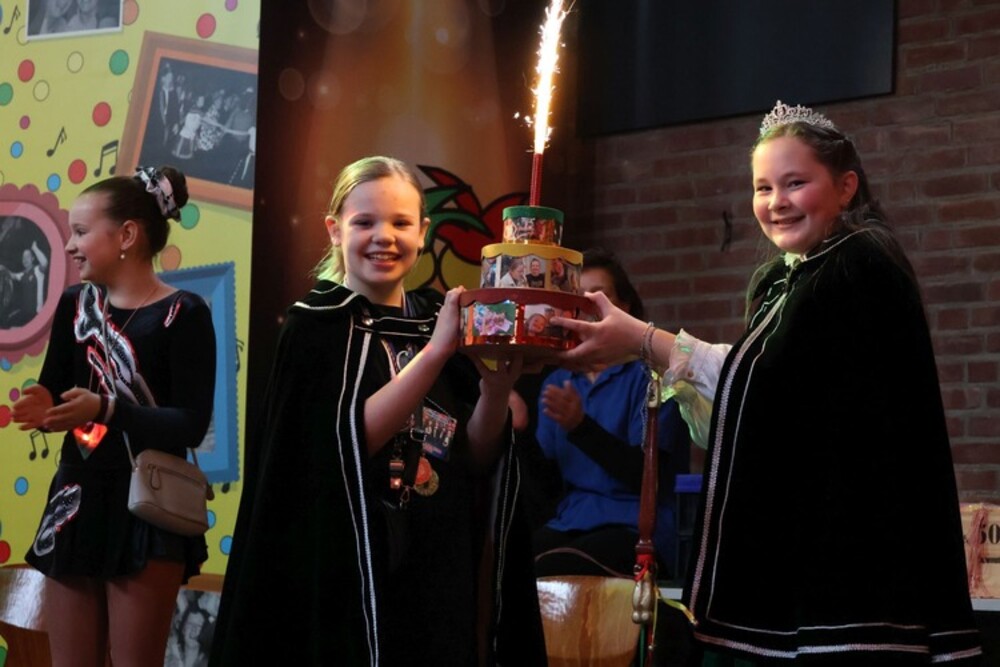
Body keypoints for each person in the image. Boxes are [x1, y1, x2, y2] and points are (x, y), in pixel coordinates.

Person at [553, 101, 982, 665]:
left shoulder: (857, 266)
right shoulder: (788, 279)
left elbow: (774, 393)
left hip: (855, 550)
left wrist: (645, 340)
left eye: (795, 183)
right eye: (763, 187)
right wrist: (656, 350)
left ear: (846, 186)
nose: (776, 201)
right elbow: (750, 410)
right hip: (808, 543)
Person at [211, 156, 547, 666]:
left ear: (423, 233)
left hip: (436, 571)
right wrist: (435, 354)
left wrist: (496, 390)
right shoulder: (314, 327)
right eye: (364, 222)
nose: (383, 237)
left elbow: (475, 458)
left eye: (400, 223)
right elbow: (343, 442)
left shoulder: (436, 318)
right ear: (335, 230)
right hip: (348, 565)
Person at [11, 166, 216, 667]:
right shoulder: (73, 305)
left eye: (81, 232)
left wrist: (105, 408)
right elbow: (58, 385)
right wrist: (45, 405)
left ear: (127, 235)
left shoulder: (185, 313)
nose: (69, 246)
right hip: (75, 502)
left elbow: (190, 424)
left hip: (146, 509)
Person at [533, 248, 690, 580]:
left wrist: (581, 427)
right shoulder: (558, 381)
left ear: (624, 308)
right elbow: (544, 481)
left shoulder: (652, 377)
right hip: (570, 521)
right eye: (579, 299)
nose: (587, 308)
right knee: (513, 562)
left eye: (598, 297)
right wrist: (516, 428)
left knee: (560, 565)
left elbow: (646, 476)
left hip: (634, 525)